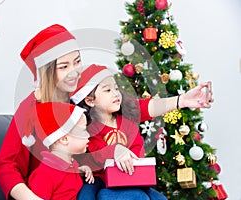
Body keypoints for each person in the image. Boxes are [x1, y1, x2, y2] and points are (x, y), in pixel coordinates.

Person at [70, 64, 213, 199]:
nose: (116, 94)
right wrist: (115, 150)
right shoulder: (87, 127)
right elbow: (96, 153)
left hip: (129, 177)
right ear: (90, 101)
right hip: (100, 181)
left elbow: (139, 138)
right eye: (107, 90)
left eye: (116, 88)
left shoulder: (126, 120)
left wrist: (182, 100)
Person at [0, 24, 84, 200]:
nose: (74, 72)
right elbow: (6, 167)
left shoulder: (81, 100)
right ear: (47, 72)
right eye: (64, 66)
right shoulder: (30, 108)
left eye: (77, 61)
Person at [28, 102, 94, 199]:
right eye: (83, 130)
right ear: (64, 139)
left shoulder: (70, 164)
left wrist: (81, 170)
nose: (88, 135)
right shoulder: (45, 174)